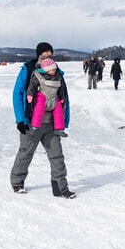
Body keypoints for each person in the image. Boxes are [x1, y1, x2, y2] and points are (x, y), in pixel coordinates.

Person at [10, 42, 76, 199]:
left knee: (57, 155)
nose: (48, 55)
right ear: (38, 54)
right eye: (45, 53)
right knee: (26, 153)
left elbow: (63, 96)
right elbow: (17, 94)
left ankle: (60, 188)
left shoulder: (56, 72)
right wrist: (20, 119)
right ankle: (17, 182)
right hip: (31, 122)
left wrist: (63, 121)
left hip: (52, 123)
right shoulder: (28, 70)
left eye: (50, 53)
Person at [26, 58, 67, 137]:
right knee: (38, 110)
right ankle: (35, 127)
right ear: (46, 70)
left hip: (54, 98)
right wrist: (30, 95)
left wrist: (62, 97)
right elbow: (32, 86)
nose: (54, 70)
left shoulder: (57, 76)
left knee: (59, 112)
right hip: (42, 97)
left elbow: (61, 89)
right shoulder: (38, 76)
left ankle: (59, 129)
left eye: (55, 69)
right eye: (52, 69)